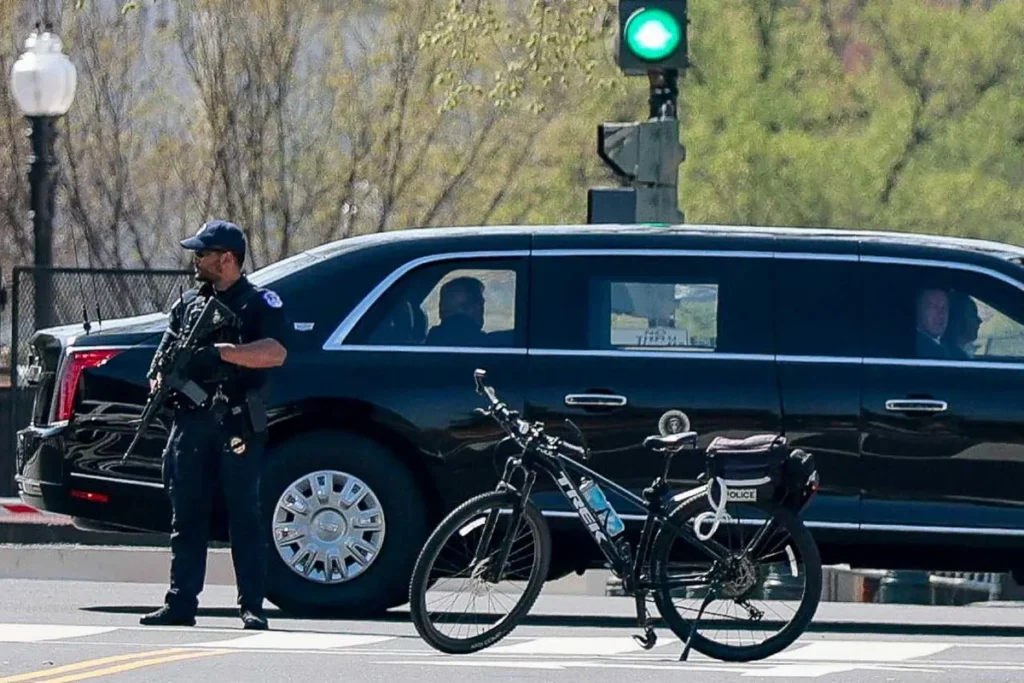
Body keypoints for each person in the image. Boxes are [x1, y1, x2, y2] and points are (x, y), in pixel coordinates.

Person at [140, 219, 289, 630]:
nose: (196, 260)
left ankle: (252, 606)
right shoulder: (188, 304)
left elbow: (275, 353)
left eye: (203, 254)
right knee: (186, 517)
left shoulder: (260, 303)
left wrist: (224, 353)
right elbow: (165, 353)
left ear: (227, 258)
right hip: (190, 423)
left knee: (244, 516)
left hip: (236, 422)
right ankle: (181, 602)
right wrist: (160, 380)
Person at [425, 276, 488, 346]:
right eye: (480, 302)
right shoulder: (482, 344)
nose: (481, 306)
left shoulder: (434, 339)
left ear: (441, 312)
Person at [914, 287, 953, 359]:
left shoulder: (949, 347)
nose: (941, 314)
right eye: (933, 307)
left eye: (944, 308)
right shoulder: (923, 349)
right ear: (919, 309)